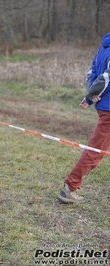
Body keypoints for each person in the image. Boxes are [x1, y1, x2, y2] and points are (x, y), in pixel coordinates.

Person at [57, 32, 110, 204]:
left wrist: (92, 94)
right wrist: (90, 96)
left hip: (104, 105)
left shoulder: (103, 47)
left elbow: (91, 73)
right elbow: (105, 78)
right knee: (95, 152)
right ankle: (69, 188)